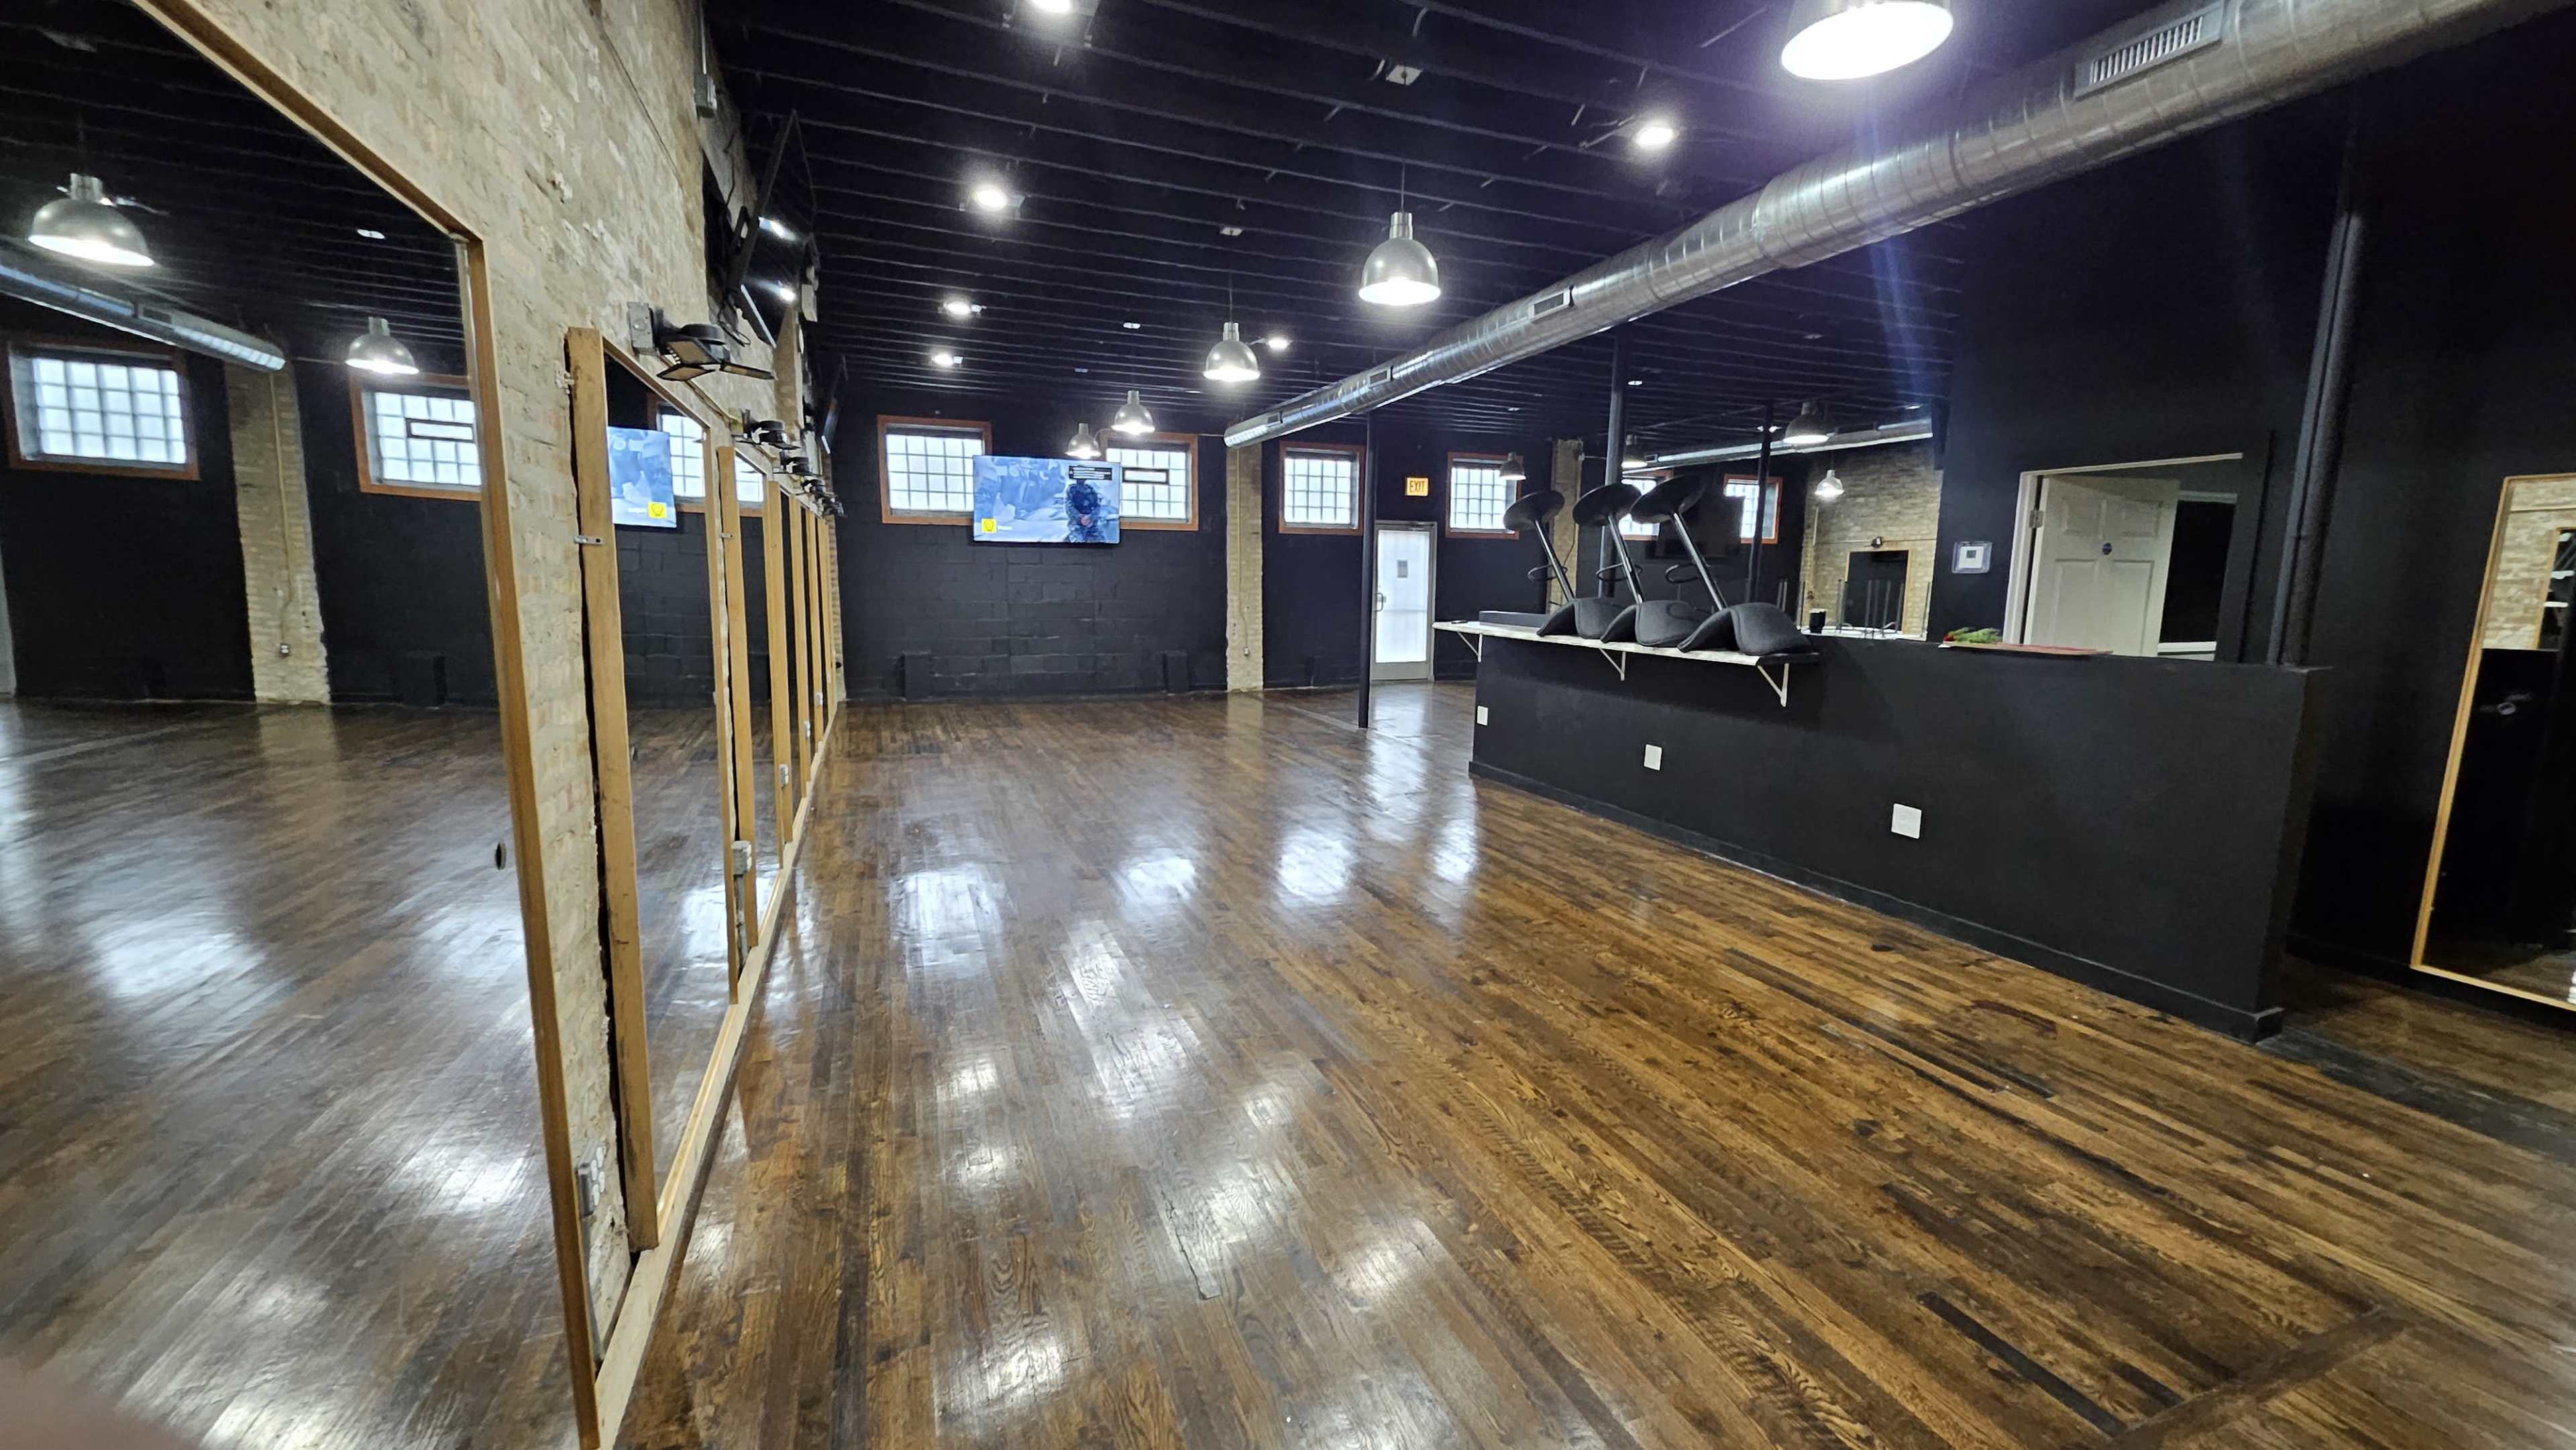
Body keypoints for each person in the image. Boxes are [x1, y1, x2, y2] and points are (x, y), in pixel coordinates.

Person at [1063, 478, 1109, 543]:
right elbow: (1069, 507)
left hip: (1091, 524)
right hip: (1077, 524)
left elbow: (1097, 506)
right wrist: (1079, 517)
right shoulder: (1072, 490)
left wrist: (1091, 517)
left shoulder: (1090, 489)